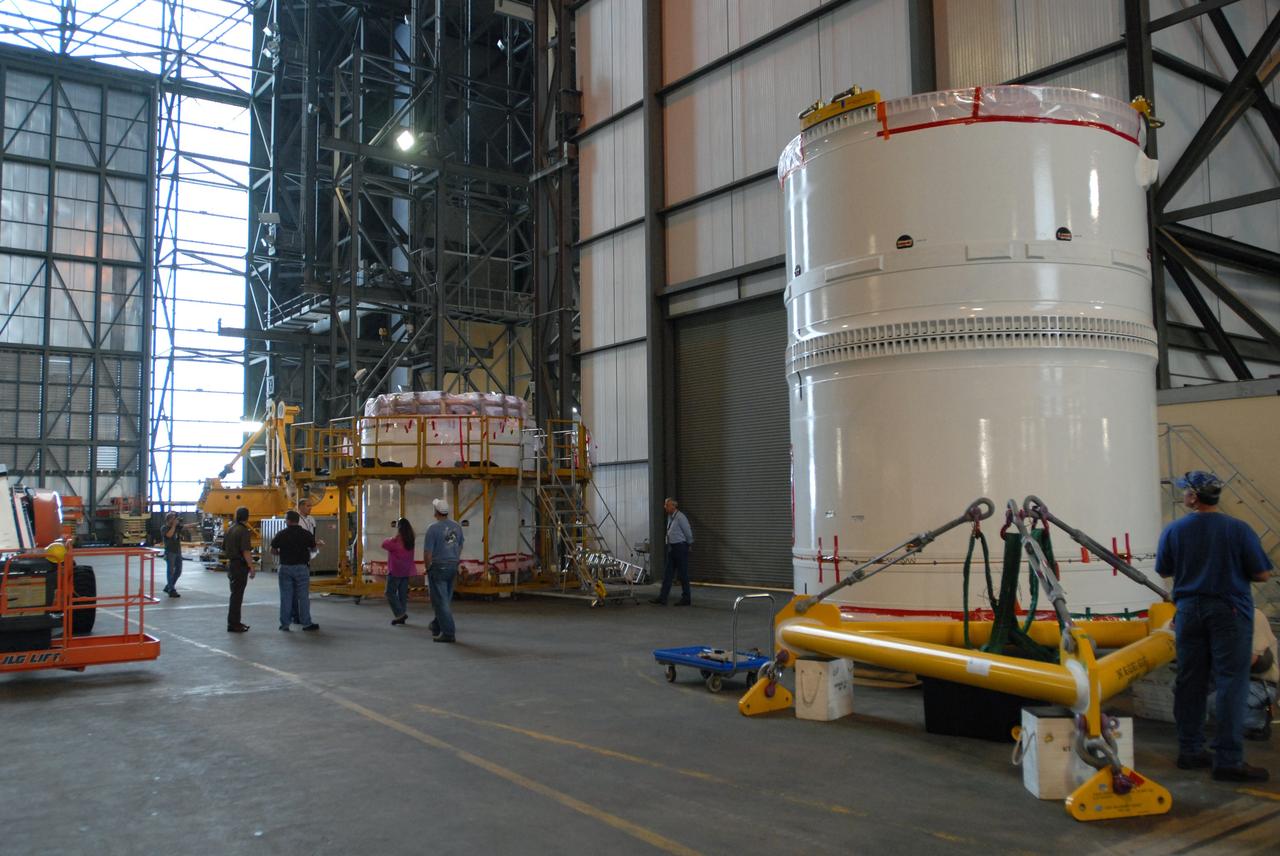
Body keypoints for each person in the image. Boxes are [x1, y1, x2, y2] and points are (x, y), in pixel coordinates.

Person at [1156, 470, 1273, 782]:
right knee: (1230, 683)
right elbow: (1261, 574)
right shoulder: (1239, 529)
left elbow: (1164, 568)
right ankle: (1228, 760)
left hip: (1189, 610)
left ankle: (1191, 750)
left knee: (1190, 681)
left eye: (1185, 492)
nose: (1182, 496)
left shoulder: (1174, 531)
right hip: (1229, 611)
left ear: (1194, 497)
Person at [422, 497, 464, 643]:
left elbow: (428, 553)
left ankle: (448, 632)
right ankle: (437, 625)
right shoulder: (457, 527)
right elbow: (459, 545)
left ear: (436, 511)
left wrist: (428, 568)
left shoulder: (432, 529)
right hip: (452, 565)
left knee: (440, 601)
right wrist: (455, 559)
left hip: (438, 566)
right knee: (445, 598)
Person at [270, 509, 319, 632]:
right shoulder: (306, 534)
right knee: (303, 597)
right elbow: (314, 549)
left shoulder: (281, 534)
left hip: (285, 568)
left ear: (288, 521)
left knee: (286, 596)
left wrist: (281, 552)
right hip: (302, 568)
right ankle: (306, 624)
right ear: (297, 521)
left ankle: (285, 624)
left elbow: (273, 550)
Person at [650, 498, 694, 606]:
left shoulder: (680, 517)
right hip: (672, 548)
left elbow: (687, 531)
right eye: (665, 505)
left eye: (667, 505)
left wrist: (689, 543)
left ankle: (686, 598)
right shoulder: (671, 517)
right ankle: (663, 597)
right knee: (667, 574)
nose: (665, 507)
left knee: (683, 574)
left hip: (680, 547)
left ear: (673, 506)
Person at [1246, 609, 1278, 741]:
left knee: (1216, 703)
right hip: (1237, 678)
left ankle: (1259, 721)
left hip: (1259, 684)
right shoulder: (1216, 614)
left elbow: (1251, 659)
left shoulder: (1253, 616)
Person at [224, 506, 255, 633]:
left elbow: (224, 547)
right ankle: (234, 623)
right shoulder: (243, 531)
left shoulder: (230, 529)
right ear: (247, 517)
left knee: (235, 594)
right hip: (240, 566)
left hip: (232, 565)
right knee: (237, 596)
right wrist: (251, 566)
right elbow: (246, 551)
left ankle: (234, 621)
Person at [383, 518, 416, 626]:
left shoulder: (396, 541)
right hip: (406, 571)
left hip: (395, 571)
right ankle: (401, 617)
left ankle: (400, 614)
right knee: (402, 595)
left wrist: (393, 538)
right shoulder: (410, 540)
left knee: (389, 592)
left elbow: (384, 544)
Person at [161, 512, 184, 598]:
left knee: (178, 571)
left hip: (178, 551)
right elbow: (169, 535)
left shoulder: (177, 527)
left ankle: (169, 586)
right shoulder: (164, 528)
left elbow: (187, 526)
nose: (177, 521)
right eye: (175, 519)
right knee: (170, 571)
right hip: (170, 552)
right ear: (170, 519)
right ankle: (171, 589)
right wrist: (174, 526)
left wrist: (199, 523)